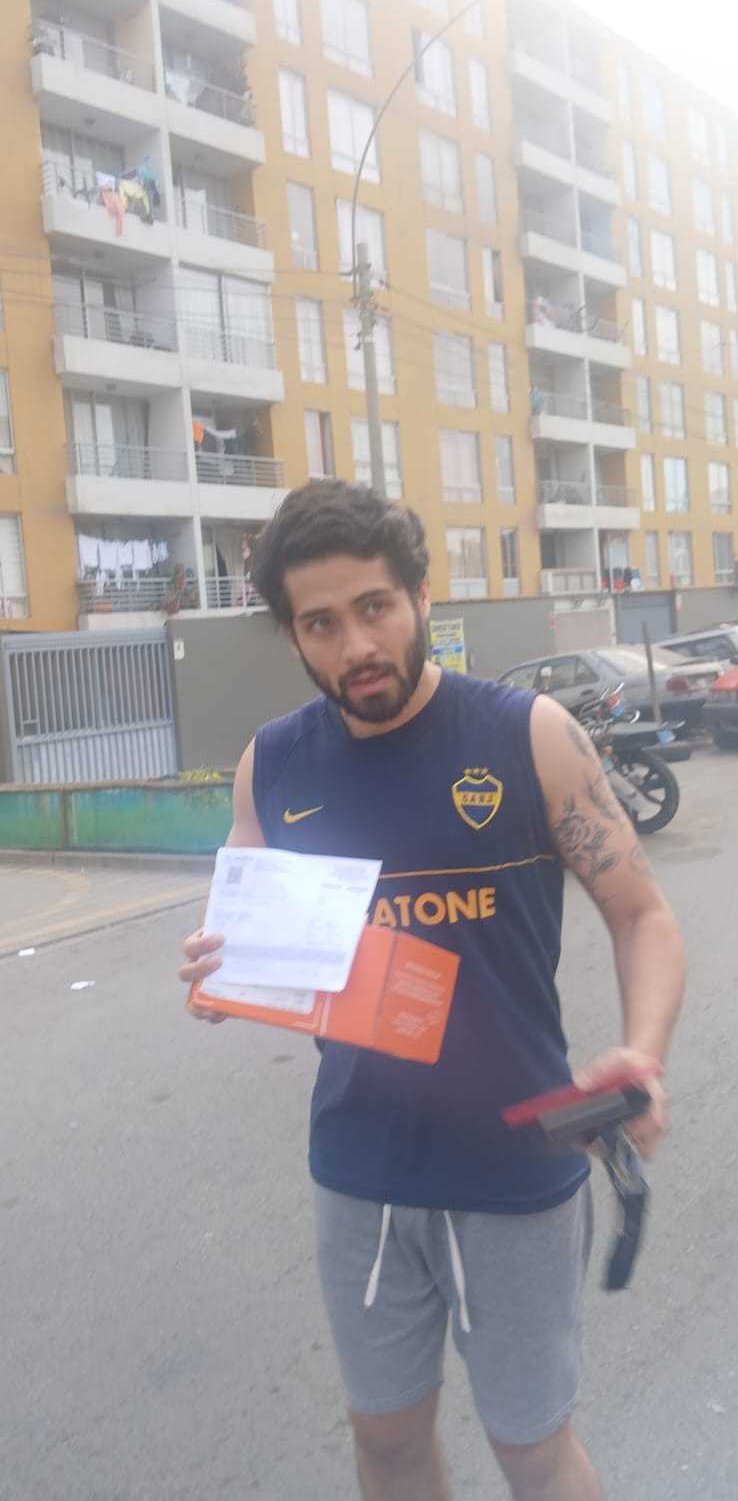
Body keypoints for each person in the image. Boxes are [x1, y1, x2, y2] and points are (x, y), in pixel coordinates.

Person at [179, 480, 686, 1501]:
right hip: (358, 1169)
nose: (357, 644)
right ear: (293, 635)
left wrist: (643, 1049)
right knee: (388, 1445)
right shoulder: (272, 764)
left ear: (419, 594)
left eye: (375, 607)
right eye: (322, 623)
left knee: (534, 1451)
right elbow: (243, 929)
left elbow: (644, 916)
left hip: (519, 1165)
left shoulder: (528, 735)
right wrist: (221, 970)